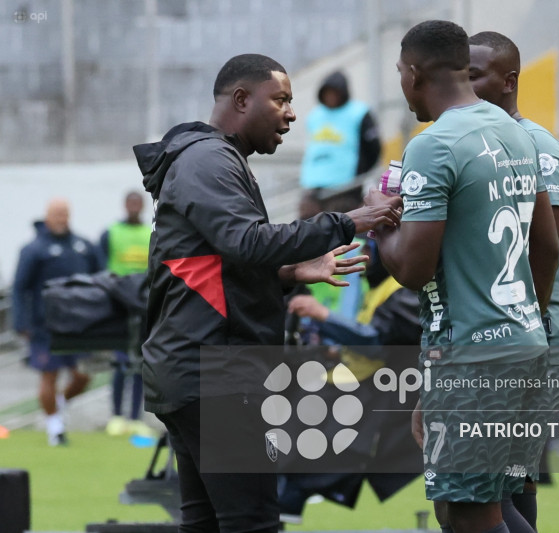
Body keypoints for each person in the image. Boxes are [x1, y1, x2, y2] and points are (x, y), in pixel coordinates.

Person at [132, 53, 401, 533]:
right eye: (281, 100)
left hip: (197, 372)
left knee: (209, 523)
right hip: (216, 377)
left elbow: (214, 266)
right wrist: (347, 222)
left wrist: (291, 273)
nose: (292, 114)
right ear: (241, 99)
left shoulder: (212, 159)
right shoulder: (209, 160)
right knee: (253, 523)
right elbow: (246, 241)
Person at [365, 21, 559, 533]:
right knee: (467, 508)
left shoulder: (435, 145)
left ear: (413, 72)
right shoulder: (515, 131)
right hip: (521, 344)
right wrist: (526, 325)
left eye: (399, 75)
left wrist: (377, 218)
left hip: (471, 353)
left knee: (472, 515)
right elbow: (547, 246)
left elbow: (412, 268)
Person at [468, 31, 559, 532]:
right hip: (514, 335)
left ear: (509, 80)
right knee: (511, 485)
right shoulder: (486, 143)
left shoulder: (537, 147)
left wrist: (520, 333)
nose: (463, 87)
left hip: (533, 335)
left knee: (482, 496)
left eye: (473, 76)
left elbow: (544, 247)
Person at [279, 238, 422, 522]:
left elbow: (380, 341)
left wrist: (323, 315)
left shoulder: (406, 291)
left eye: (370, 250)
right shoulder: (381, 288)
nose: (365, 258)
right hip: (352, 396)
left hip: (378, 406)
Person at [12, 198, 101, 446]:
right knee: (48, 375)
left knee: (83, 376)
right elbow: (20, 288)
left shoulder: (83, 246)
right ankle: (55, 430)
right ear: (48, 215)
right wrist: (21, 322)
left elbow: (101, 279)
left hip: (78, 325)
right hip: (45, 326)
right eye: (57, 214)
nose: (62, 218)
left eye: (65, 214)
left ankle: (57, 406)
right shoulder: (34, 250)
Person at [99, 191, 151, 437]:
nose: (133, 207)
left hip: (143, 304)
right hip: (118, 304)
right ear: (124, 205)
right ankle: (117, 416)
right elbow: (102, 268)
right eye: (130, 203)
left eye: (137, 203)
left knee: (141, 364)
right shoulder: (111, 232)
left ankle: (135, 418)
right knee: (120, 362)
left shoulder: (149, 233)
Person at [299, 70, 381, 202]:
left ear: (343, 92)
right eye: (328, 93)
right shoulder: (314, 116)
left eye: (335, 93)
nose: (331, 97)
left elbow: (374, 148)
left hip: (345, 187)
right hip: (313, 185)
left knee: (340, 219)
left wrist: (359, 174)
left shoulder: (359, 112)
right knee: (308, 219)